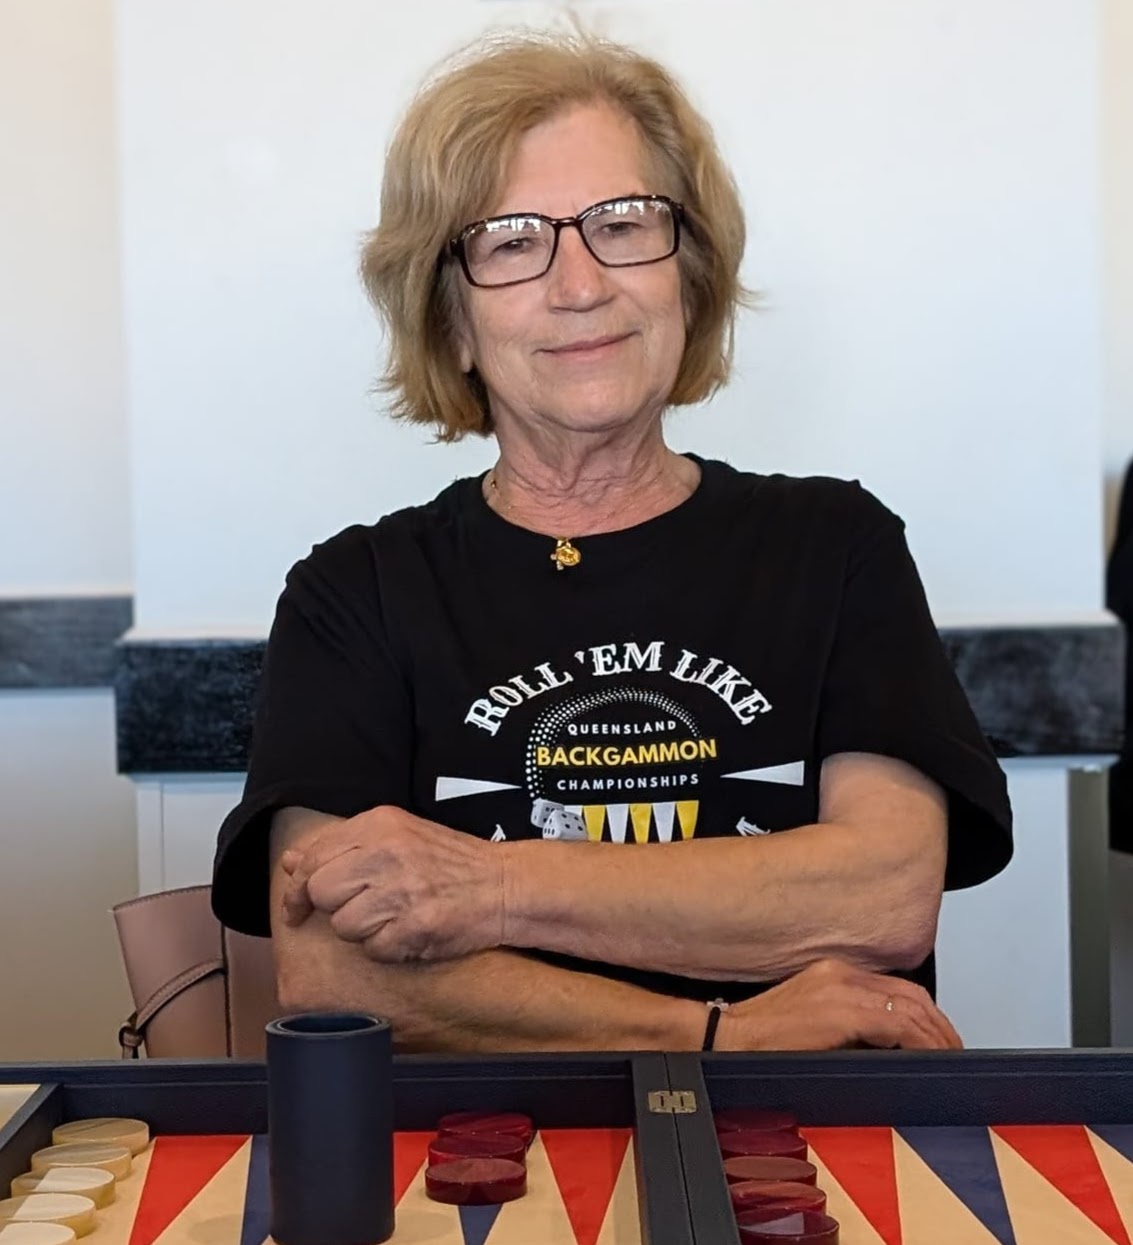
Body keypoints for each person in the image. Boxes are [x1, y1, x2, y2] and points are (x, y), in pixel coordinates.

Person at [212, 30, 1012, 1053]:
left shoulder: (833, 546)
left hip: (805, 1156)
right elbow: (330, 969)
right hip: (483, 1162)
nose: (579, 284)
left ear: (689, 272)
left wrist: (488, 888)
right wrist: (712, 1030)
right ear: (449, 319)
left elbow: (881, 893)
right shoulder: (353, 591)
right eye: (510, 241)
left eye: (622, 225)